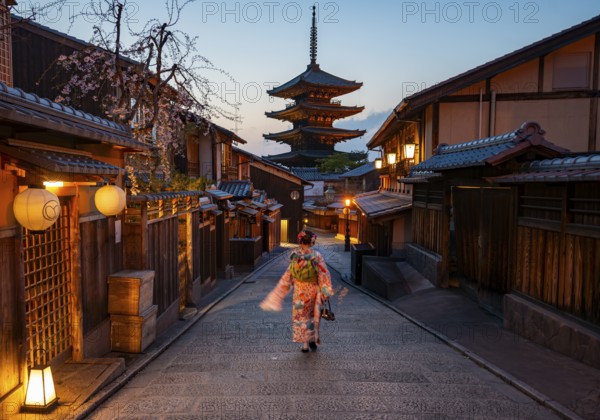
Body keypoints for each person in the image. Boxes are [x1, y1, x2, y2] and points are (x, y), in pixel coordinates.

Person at [260, 229, 334, 352]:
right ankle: (312, 340)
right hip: (313, 291)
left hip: (299, 292)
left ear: (300, 242)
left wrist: (278, 294)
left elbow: (288, 276)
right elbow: (324, 274)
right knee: (313, 316)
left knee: (300, 318)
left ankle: (304, 345)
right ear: (312, 242)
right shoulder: (316, 256)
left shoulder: (295, 257)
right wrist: (326, 291)